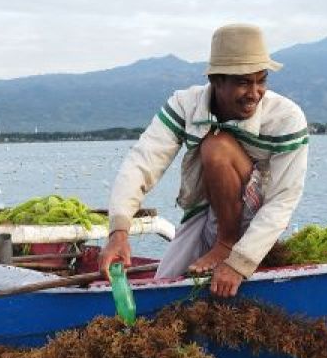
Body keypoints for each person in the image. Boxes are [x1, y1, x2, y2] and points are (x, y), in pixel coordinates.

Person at [99, 24, 309, 297]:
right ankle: (219, 243)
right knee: (164, 285)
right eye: (244, 82)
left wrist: (240, 262)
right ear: (216, 81)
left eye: (261, 80)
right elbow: (142, 163)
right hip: (208, 212)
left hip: (254, 221)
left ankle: (226, 243)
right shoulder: (185, 105)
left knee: (216, 146)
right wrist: (118, 231)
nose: (255, 93)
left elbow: (284, 197)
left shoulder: (286, 118)